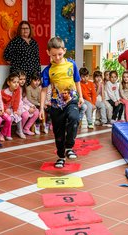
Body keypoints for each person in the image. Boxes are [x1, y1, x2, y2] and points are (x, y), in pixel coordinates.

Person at [39, 36, 84, 168]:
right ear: (48, 53)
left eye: (59, 54)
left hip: (72, 100)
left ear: (64, 51)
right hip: (56, 105)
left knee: (74, 118)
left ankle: (69, 146)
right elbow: (43, 90)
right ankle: (61, 156)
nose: (57, 57)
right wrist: (41, 108)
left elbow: (77, 81)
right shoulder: (47, 71)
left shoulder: (72, 64)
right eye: (54, 55)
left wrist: (80, 96)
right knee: (58, 133)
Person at [3, 20, 41, 85]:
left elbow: (37, 58)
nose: (25, 30)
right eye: (23, 28)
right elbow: (6, 56)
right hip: (20, 75)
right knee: (19, 93)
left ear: (30, 30)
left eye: (27, 28)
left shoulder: (34, 42)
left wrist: (38, 72)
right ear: (19, 30)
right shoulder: (15, 41)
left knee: (30, 93)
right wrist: (17, 64)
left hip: (33, 74)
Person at [1, 72, 24, 138]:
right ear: (8, 83)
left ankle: (20, 131)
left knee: (18, 117)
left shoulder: (17, 90)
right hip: (4, 109)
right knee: (10, 119)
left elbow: (16, 101)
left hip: (11, 109)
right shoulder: (4, 92)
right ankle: (7, 134)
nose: (16, 84)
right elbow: (1, 103)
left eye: (17, 82)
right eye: (14, 82)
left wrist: (15, 110)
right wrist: (6, 109)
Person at [18, 71, 39, 136]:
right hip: (18, 107)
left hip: (23, 105)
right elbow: (18, 102)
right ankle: (19, 130)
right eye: (20, 79)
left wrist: (31, 105)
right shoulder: (16, 88)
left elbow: (25, 99)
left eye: (24, 79)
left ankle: (26, 128)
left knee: (36, 111)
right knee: (25, 115)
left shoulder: (23, 88)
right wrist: (27, 109)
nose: (22, 81)